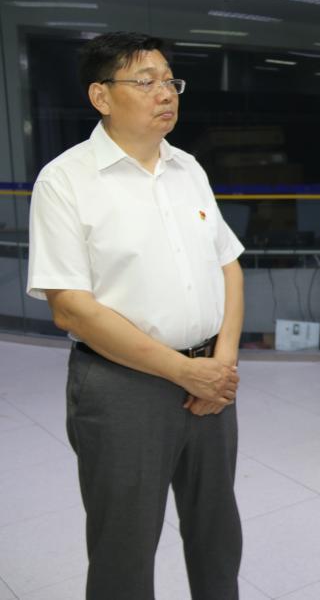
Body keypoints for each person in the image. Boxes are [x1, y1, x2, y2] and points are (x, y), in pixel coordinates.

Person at [26, 32, 244, 600]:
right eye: (145, 82)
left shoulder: (187, 168)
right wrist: (183, 371)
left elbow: (229, 265)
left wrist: (221, 365)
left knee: (218, 536)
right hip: (122, 387)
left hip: (211, 382)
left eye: (170, 81)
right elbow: (71, 308)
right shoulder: (65, 181)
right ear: (101, 96)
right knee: (124, 547)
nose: (165, 94)